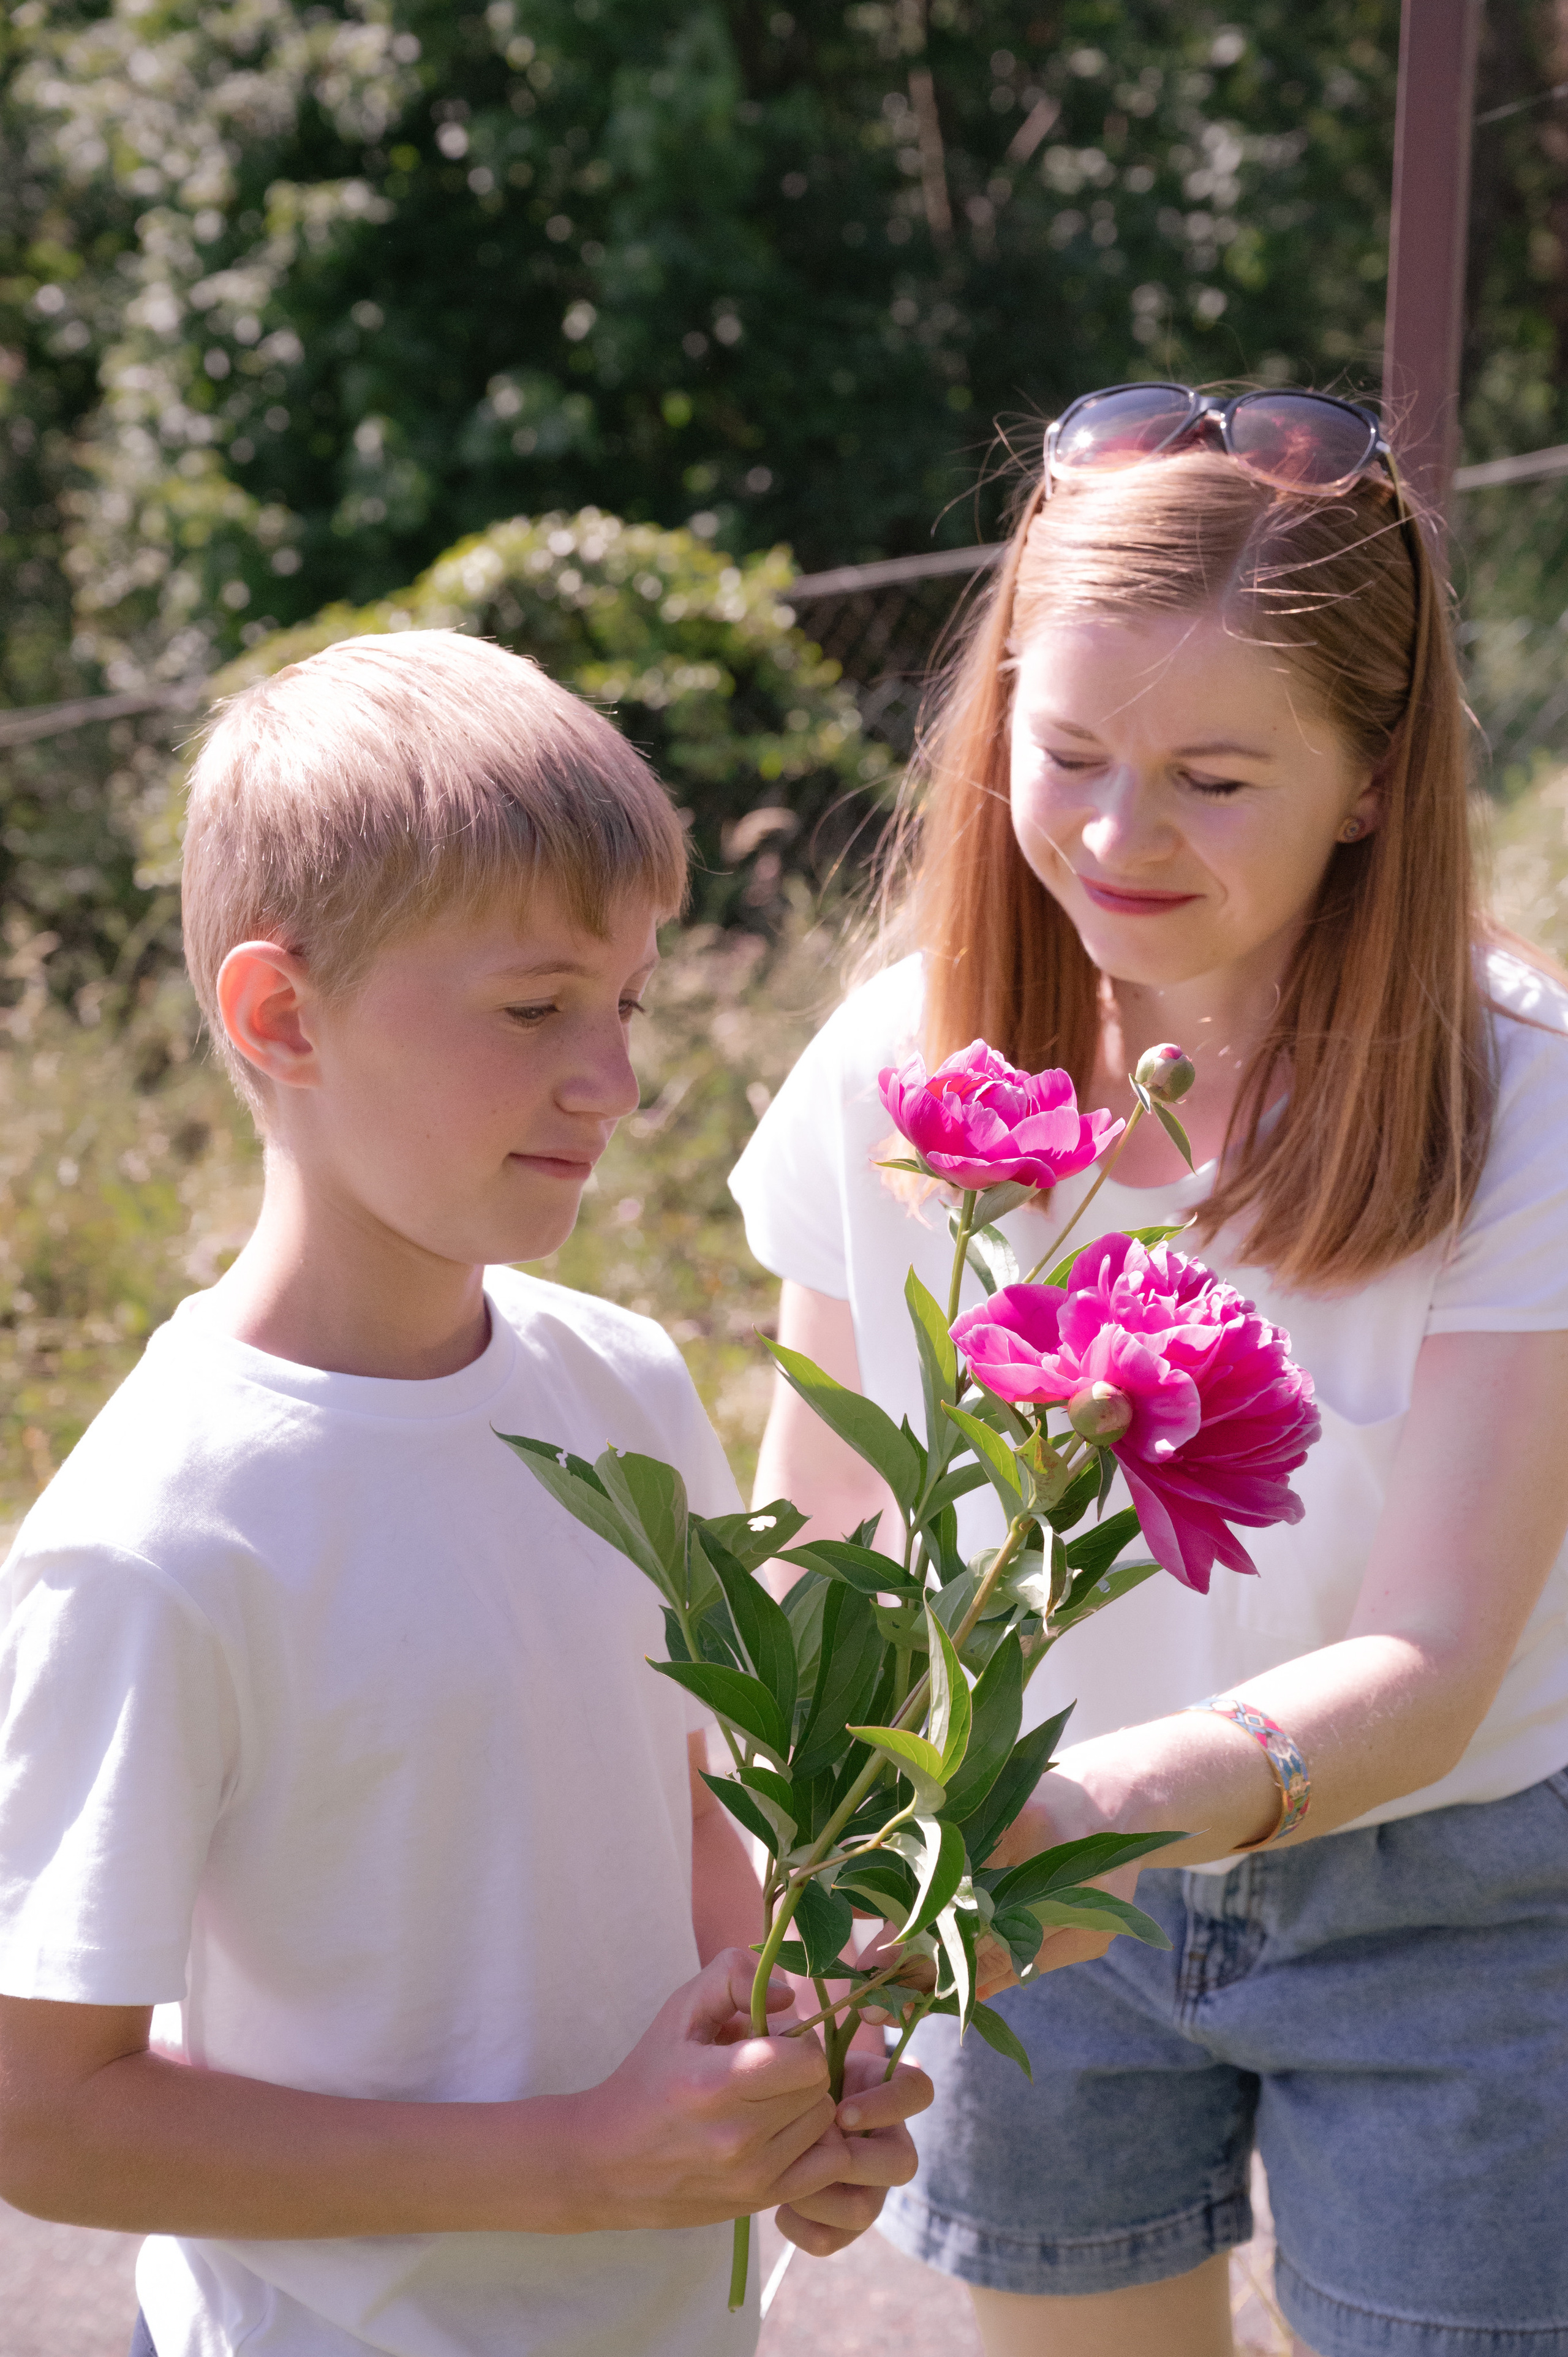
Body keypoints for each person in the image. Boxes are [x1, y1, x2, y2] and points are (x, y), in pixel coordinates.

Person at [729, 386, 1568, 2357]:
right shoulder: (894, 1075)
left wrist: (1066, 1808)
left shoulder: (1521, 1095)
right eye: (1070, 751)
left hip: (1447, 1897)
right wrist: (788, 1915)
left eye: (1213, 775)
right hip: (1032, 1915)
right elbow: (821, 1545)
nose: (1117, 834)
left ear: (1372, 779)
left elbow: (1432, 1666)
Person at [0, 631, 931, 2357]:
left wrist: (784, 2089)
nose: (618, 1082)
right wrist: (577, 2166)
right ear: (283, 1015)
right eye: (534, 1009)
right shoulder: (154, 1539)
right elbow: (44, 2119)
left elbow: (698, 1838)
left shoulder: (626, 1381)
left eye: (628, 1003)